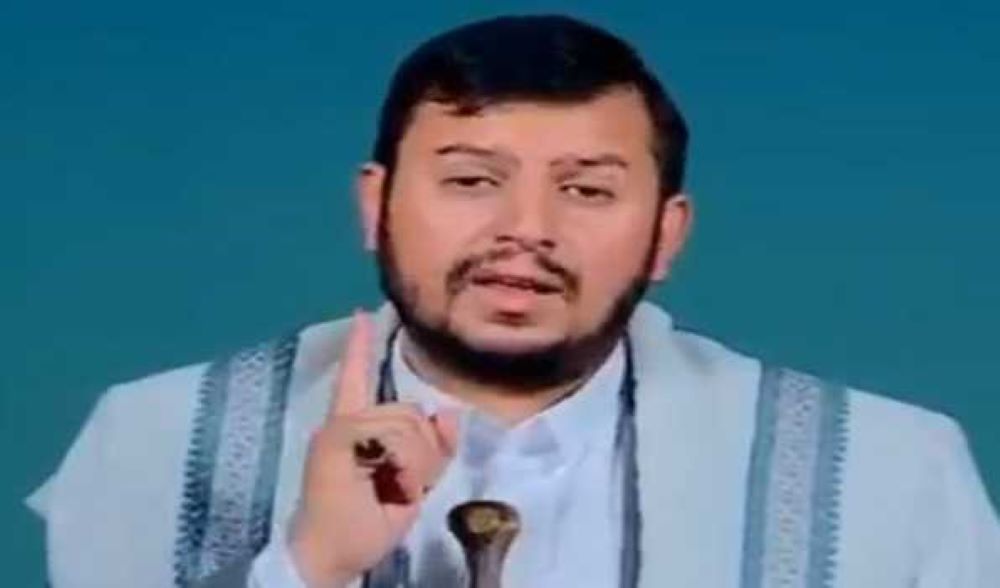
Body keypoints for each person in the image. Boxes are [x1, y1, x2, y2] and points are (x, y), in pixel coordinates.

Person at [27, 14, 1000, 588]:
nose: (524, 229)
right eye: (470, 180)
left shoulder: (890, 473)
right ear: (375, 206)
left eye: (586, 190)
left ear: (666, 234)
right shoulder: (159, 441)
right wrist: (308, 567)